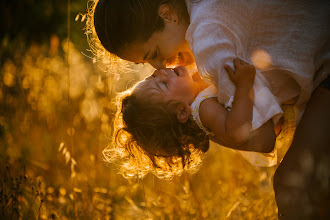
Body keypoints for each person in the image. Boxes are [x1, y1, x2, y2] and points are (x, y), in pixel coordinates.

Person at [91, 0, 329, 216]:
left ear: (167, 15)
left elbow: (264, 135)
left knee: (294, 184)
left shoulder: (207, 41)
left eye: (154, 54)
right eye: (147, 62)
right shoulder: (204, 12)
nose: (159, 66)